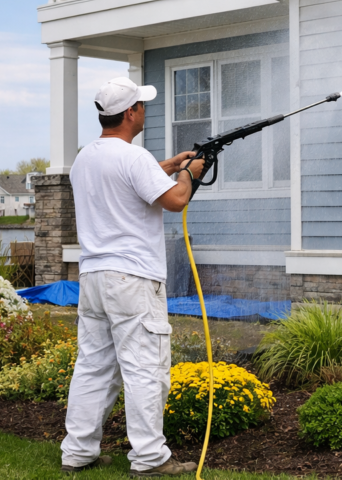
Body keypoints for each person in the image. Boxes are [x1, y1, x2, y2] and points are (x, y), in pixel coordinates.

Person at [60, 76, 205, 476]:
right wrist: (189, 174)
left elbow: (127, 180)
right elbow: (175, 199)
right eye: (141, 105)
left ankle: (77, 453)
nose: (144, 110)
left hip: (93, 278)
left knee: (93, 367)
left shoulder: (85, 158)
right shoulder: (134, 157)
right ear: (130, 113)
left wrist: (171, 165)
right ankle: (150, 458)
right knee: (145, 369)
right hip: (133, 281)